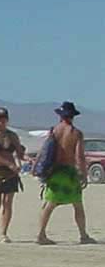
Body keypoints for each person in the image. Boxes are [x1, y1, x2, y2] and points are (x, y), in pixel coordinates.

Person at [36, 102, 97, 245]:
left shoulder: (54, 131)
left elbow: (44, 151)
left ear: (60, 115)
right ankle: (83, 235)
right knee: (77, 204)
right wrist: (83, 174)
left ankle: (40, 234)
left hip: (55, 171)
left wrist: (36, 166)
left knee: (49, 204)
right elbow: (79, 156)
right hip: (69, 172)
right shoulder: (76, 133)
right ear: (73, 116)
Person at [0, 107, 28, 243]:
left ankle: (4, 232)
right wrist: (9, 164)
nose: (1, 121)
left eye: (3, 118)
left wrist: (28, 158)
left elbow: (19, 154)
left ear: (7, 120)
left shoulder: (13, 136)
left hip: (11, 172)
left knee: (8, 203)